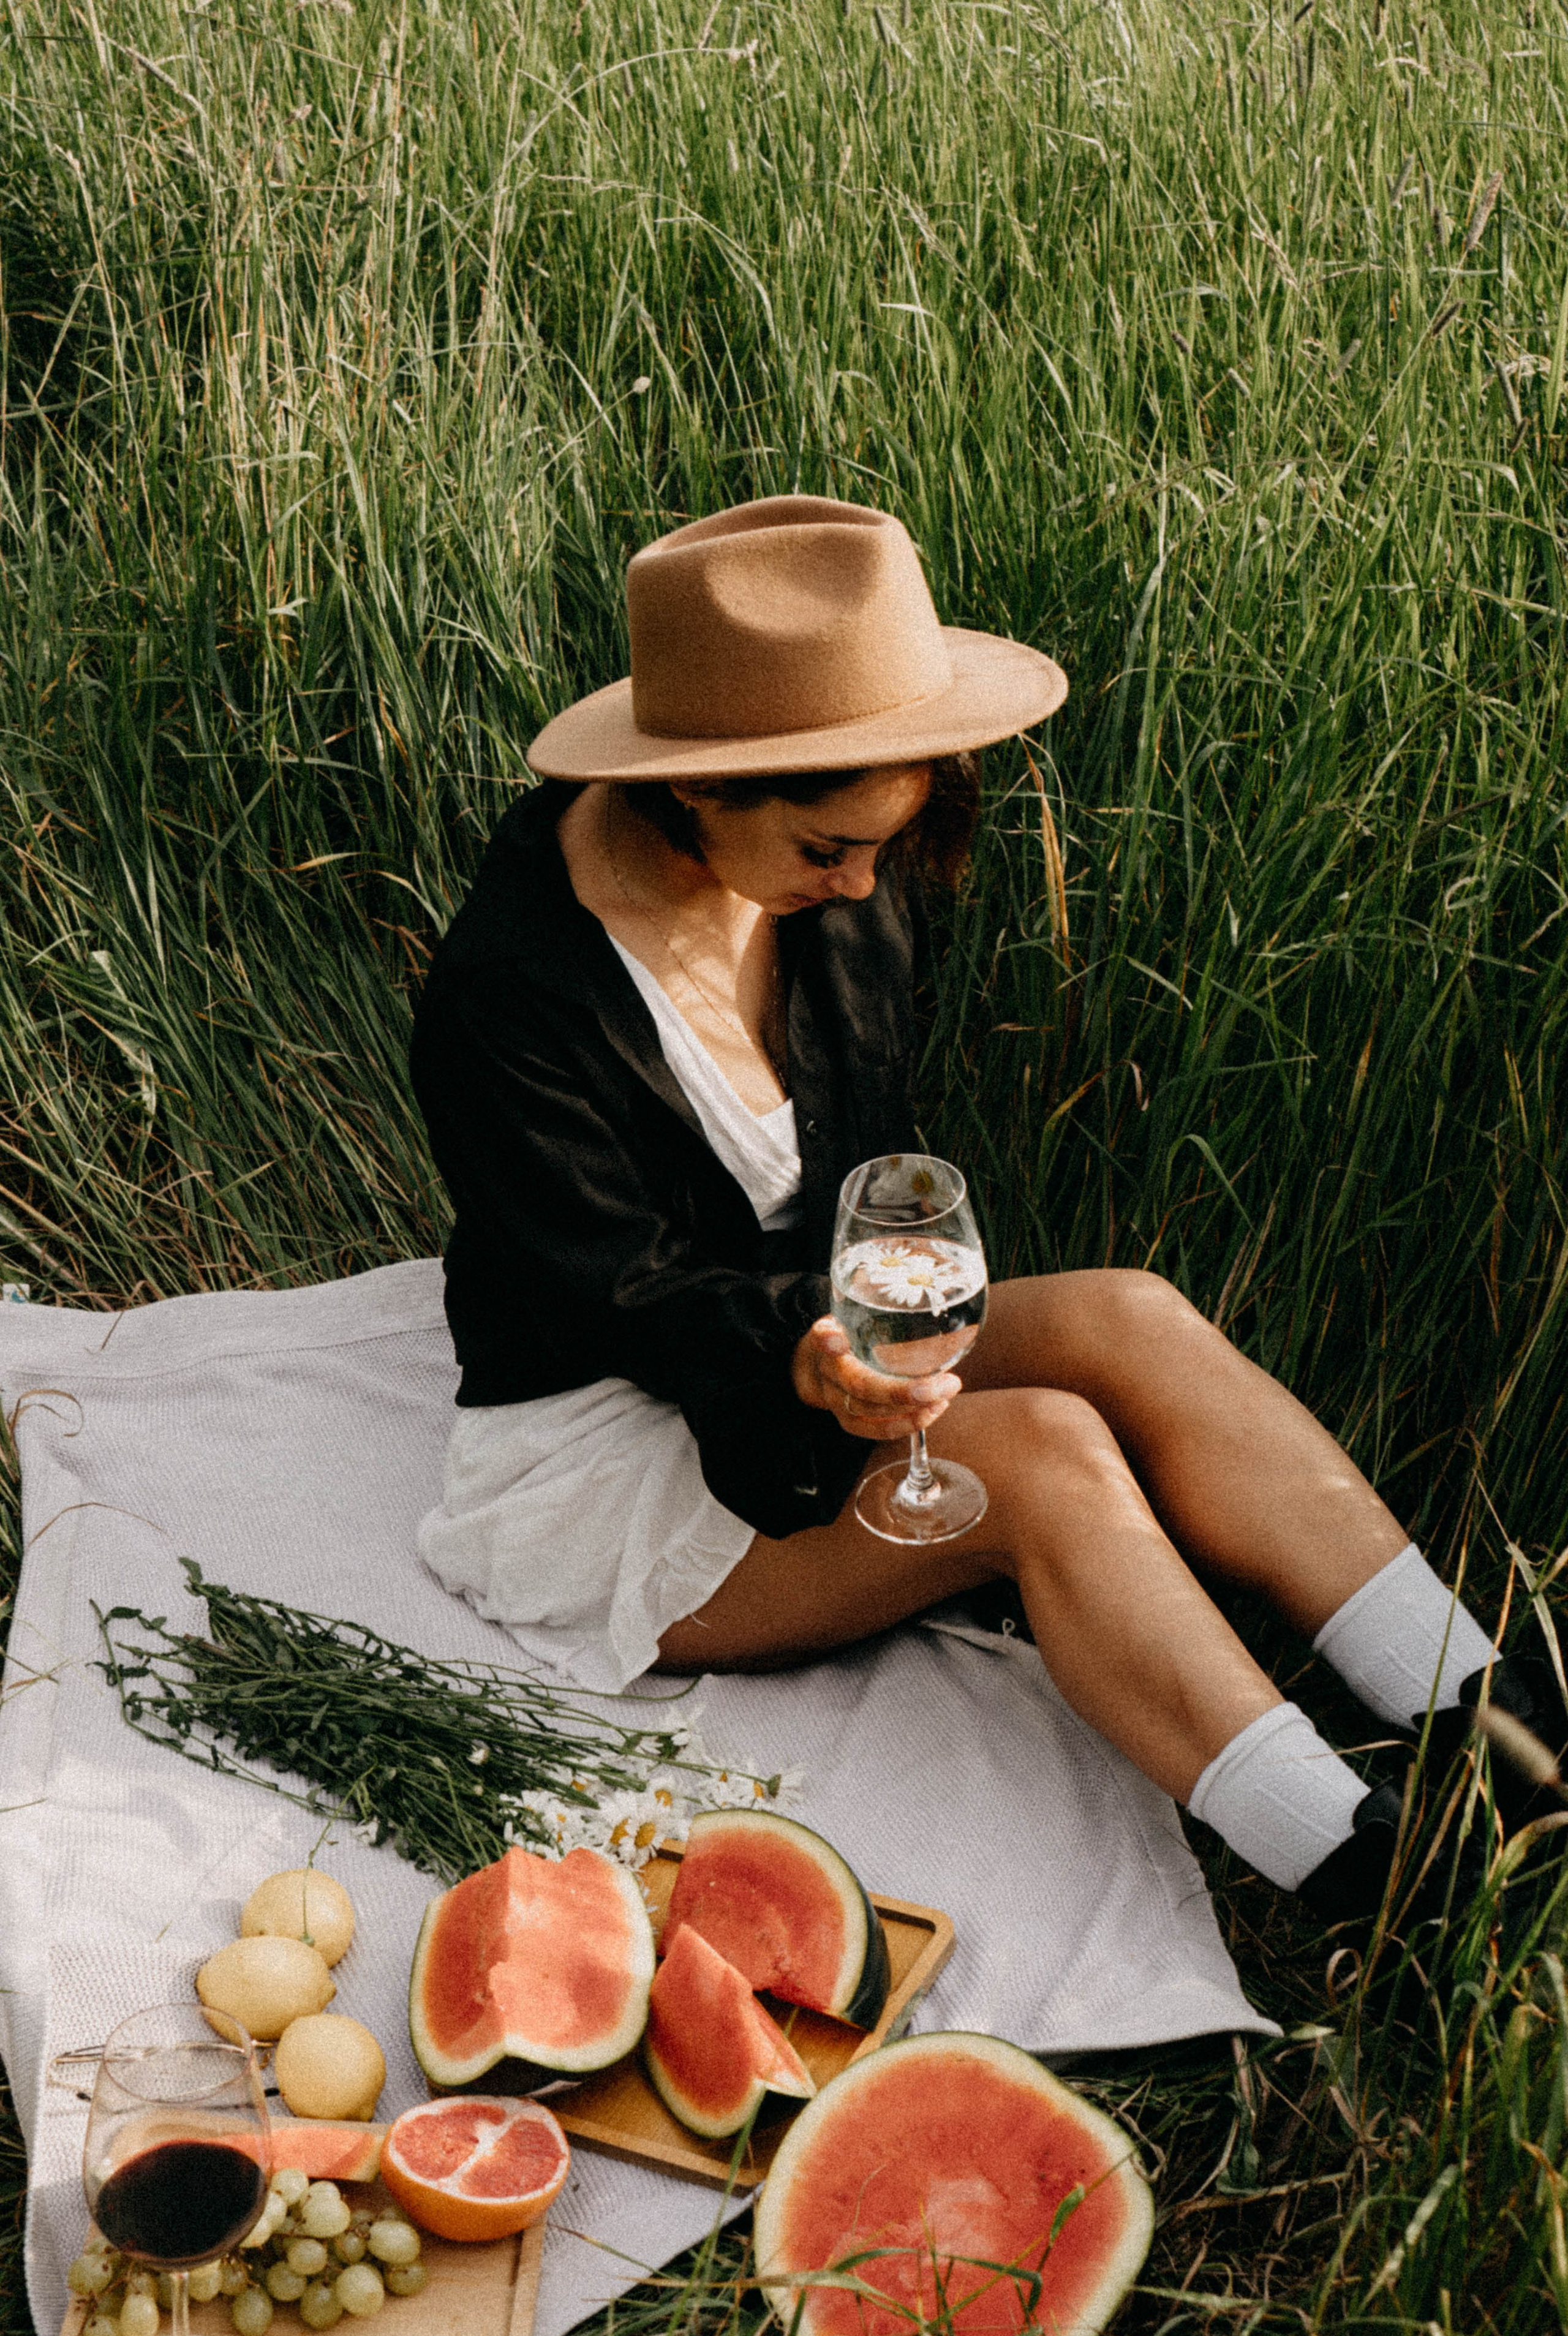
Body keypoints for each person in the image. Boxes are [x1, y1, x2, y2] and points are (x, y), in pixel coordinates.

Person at [412, 494, 1560, 1935]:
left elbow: (854, 1160)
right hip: (614, 1431)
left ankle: (1512, 1728)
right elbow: (616, 1294)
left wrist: (851, 1330)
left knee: (1127, 1316)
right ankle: (1371, 1876)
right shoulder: (509, 994)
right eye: (831, 846)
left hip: (804, 1334)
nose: (863, 886)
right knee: (1035, 1454)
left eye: (883, 843)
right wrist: (807, 1360)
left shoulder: (828, 878)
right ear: (699, 787)